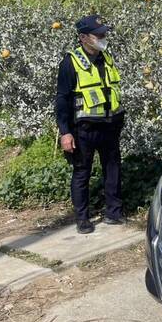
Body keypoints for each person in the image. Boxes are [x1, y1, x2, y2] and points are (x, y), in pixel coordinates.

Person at [55, 15, 125, 234]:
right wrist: (65, 133)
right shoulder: (70, 62)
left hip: (110, 125)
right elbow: (62, 100)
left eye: (104, 33)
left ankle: (113, 212)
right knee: (82, 172)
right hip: (84, 129)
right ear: (83, 37)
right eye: (99, 34)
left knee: (112, 169)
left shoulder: (106, 58)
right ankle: (83, 219)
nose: (103, 37)